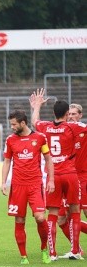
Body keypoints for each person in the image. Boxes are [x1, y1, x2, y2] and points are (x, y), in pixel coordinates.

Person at [30, 89, 86, 261]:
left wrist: (37, 105)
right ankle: (75, 250)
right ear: (68, 114)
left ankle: (52, 253)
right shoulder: (72, 126)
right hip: (70, 174)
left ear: (53, 113)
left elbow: (34, 122)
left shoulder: (45, 127)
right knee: (75, 210)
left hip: (53, 176)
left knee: (53, 214)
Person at [1, 110, 54, 264]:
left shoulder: (40, 138)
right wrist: (3, 181)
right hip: (18, 186)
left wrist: (51, 180)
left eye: (14, 124)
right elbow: (7, 162)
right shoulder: (10, 140)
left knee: (40, 217)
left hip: (35, 184)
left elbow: (48, 160)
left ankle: (44, 249)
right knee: (19, 219)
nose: (11, 127)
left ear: (23, 123)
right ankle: (23, 256)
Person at [57, 103, 87, 258]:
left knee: (81, 213)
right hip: (66, 177)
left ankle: (75, 250)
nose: (71, 117)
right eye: (70, 114)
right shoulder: (64, 132)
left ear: (80, 115)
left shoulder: (83, 129)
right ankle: (77, 249)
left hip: (82, 177)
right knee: (61, 218)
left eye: (75, 114)